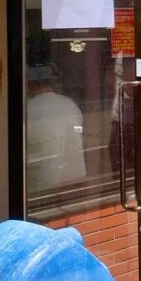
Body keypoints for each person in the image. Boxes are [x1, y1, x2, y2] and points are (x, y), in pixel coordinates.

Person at [25, 64, 86, 194]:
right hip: (74, 178)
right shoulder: (70, 104)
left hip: (40, 184)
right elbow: (77, 135)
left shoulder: (27, 109)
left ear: (30, 85)